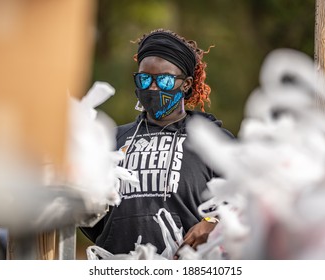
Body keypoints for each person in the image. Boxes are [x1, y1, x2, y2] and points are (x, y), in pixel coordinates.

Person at [81, 28, 234, 257]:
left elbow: (247, 203)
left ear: (185, 84)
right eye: (144, 79)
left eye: (163, 80)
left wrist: (213, 221)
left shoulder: (211, 141)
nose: (152, 88)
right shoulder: (112, 140)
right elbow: (88, 213)